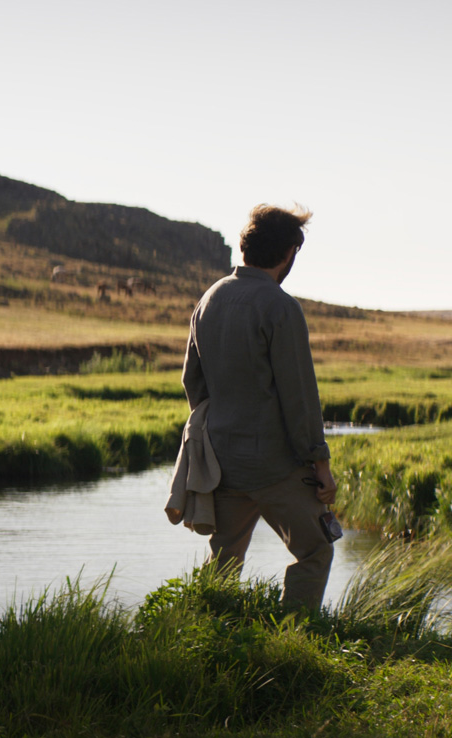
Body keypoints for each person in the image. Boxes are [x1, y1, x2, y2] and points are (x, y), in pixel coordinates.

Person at [180, 204, 335, 610]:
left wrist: (218, 430)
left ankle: (206, 634)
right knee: (315, 551)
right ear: (289, 253)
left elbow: (191, 381)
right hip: (273, 466)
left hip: (223, 463)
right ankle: (294, 640)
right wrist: (319, 462)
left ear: (245, 246)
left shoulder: (209, 299)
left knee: (224, 559)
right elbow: (299, 397)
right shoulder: (281, 307)